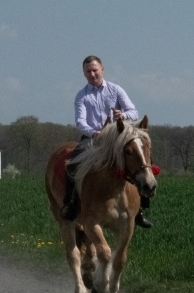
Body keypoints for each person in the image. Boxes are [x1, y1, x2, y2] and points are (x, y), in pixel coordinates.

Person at [62, 55, 153, 228]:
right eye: (88, 71)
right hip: (93, 138)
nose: (92, 74)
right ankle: (72, 204)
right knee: (72, 164)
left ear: (102, 69)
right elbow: (80, 122)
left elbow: (133, 111)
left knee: (143, 161)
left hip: (117, 139)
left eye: (95, 70)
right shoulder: (82, 96)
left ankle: (140, 209)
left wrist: (123, 115)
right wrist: (94, 133)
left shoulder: (115, 90)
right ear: (84, 74)